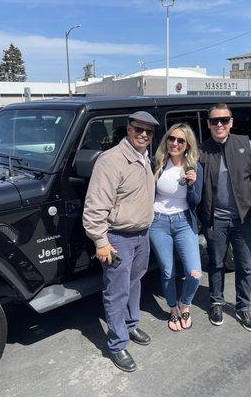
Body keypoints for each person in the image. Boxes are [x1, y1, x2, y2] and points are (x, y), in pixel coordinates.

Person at [82, 111, 158, 372]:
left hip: (141, 235)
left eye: (149, 131)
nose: (144, 135)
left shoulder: (144, 157)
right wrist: (101, 242)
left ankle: (130, 325)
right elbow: (95, 207)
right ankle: (117, 344)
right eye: (139, 129)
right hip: (118, 238)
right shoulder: (111, 160)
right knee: (116, 292)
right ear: (129, 129)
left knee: (135, 284)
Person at [200, 103, 251, 331]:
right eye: (214, 120)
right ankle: (216, 302)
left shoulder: (246, 146)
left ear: (231, 122)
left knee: (245, 266)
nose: (219, 124)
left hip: (244, 219)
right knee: (216, 264)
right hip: (216, 220)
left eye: (224, 120)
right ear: (208, 124)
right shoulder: (202, 151)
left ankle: (243, 308)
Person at [149, 123, 203, 332]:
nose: (175, 143)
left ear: (187, 145)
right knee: (168, 271)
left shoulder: (194, 167)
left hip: (184, 222)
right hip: (158, 222)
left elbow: (196, 201)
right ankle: (173, 309)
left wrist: (191, 185)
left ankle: (185, 304)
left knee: (194, 273)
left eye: (181, 140)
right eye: (171, 138)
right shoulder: (157, 163)